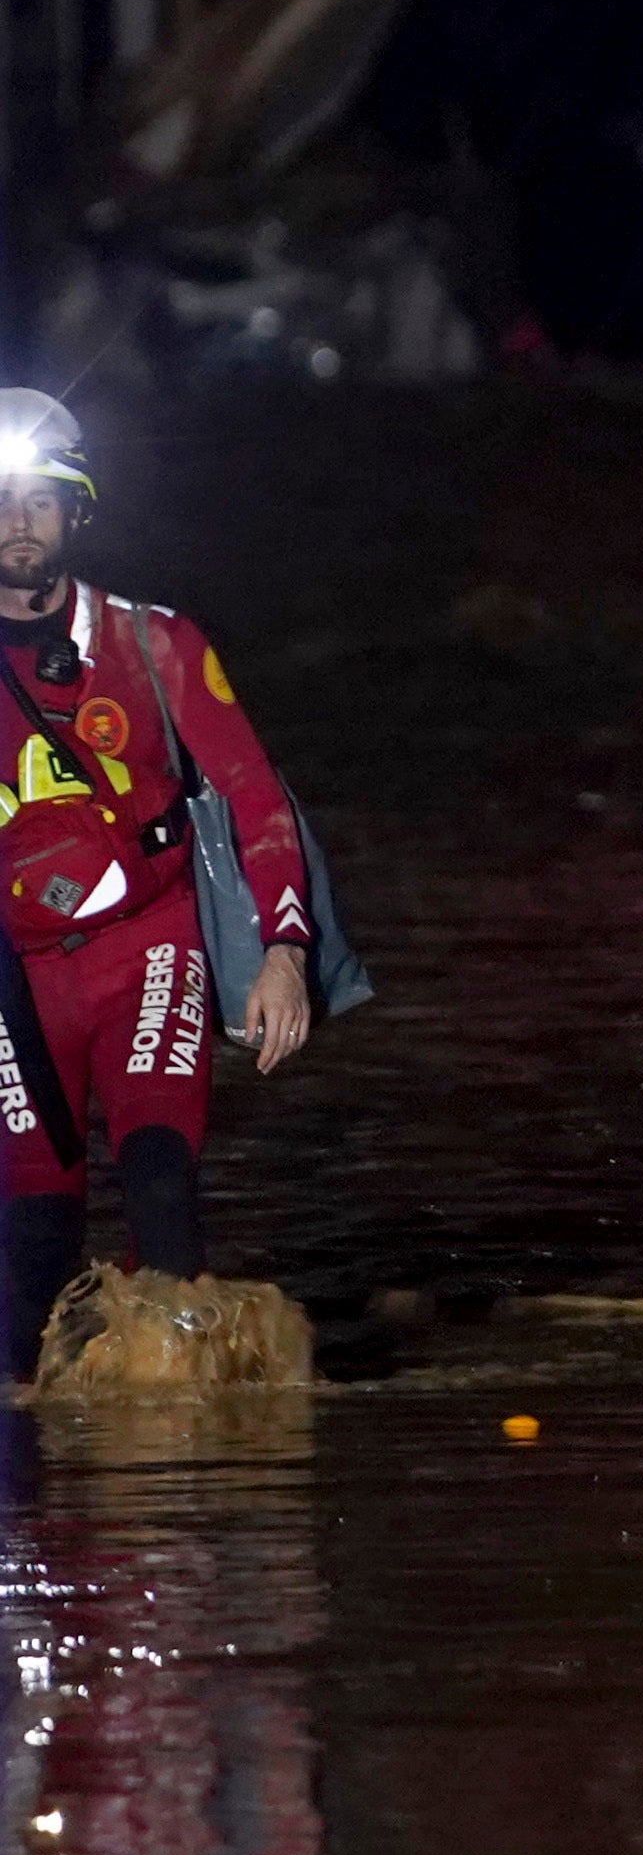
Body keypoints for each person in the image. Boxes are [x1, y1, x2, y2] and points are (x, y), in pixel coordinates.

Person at [0, 390, 319, 1375]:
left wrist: (283, 952)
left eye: (40, 502)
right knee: (31, 1246)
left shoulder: (155, 644)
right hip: (14, 981)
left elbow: (255, 795)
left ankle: (172, 1483)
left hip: (151, 946)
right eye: (1, 501)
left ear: (77, 512)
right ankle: (42, 1506)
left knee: (161, 1192)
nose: (19, 524)